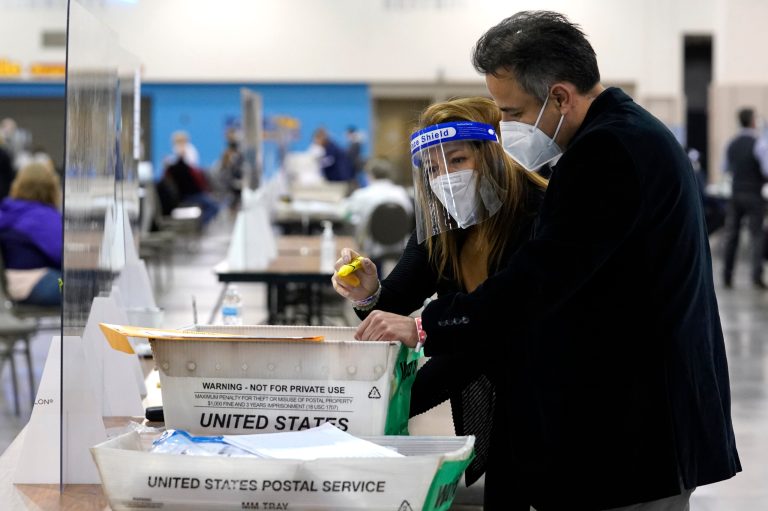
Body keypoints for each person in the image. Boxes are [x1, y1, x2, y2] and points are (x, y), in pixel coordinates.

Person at [350, 11, 740, 510]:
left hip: (636, 425)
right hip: (620, 419)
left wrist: (424, 326)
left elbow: (538, 281)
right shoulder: (628, 134)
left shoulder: (605, 152)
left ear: (559, 96)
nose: (505, 127)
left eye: (511, 113)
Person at [331, 97, 547, 506]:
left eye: (458, 159)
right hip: (491, 379)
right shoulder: (442, 223)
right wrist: (369, 292)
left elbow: (505, 317)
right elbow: (396, 300)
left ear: (494, 155)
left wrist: (420, 332)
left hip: (546, 385)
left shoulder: (537, 214)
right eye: (432, 168)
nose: (444, 178)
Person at [0, 162, 62, 306]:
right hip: (38, 283)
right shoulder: (45, 216)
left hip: (8, 284)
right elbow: (60, 256)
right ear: (52, 187)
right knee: (74, 288)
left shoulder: (7, 209)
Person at [721, 107, 768, 289]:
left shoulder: (731, 144)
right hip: (754, 194)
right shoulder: (760, 143)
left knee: (732, 235)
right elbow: (766, 170)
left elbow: (725, 168)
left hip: (735, 192)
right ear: (753, 121)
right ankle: (756, 276)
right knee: (756, 235)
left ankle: (727, 275)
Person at [343, 157, 413, 262]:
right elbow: (409, 215)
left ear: (370, 174)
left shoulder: (362, 195)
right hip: (400, 246)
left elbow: (344, 213)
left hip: (370, 248)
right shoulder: (402, 193)